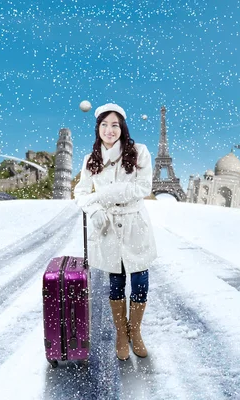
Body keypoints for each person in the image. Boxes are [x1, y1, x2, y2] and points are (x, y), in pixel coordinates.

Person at [74, 103, 157, 361]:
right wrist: (94, 209)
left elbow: (142, 187)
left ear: (122, 128)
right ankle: (122, 334)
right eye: (104, 124)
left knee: (140, 280)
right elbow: (81, 192)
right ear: (97, 127)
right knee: (117, 282)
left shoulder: (139, 152)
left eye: (114, 125)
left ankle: (136, 331)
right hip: (107, 226)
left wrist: (104, 195)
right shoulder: (91, 160)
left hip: (134, 222)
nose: (109, 130)